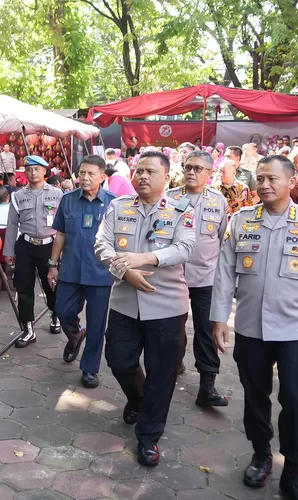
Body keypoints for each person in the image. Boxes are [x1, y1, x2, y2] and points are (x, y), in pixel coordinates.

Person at [94, 150, 196, 467]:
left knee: (162, 373)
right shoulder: (118, 206)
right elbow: (101, 243)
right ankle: (138, 399)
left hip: (166, 306)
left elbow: (185, 247)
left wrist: (145, 259)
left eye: (151, 171)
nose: (142, 176)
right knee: (118, 360)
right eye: (139, 171)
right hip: (124, 303)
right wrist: (124, 270)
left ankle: (149, 436)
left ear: (166, 176)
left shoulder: (182, 210)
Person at [211, 155, 298, 498]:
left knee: (294, 398)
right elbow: (224, 273)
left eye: (272, 179)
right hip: (251, 327)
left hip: (296, 330)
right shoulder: (242, 220)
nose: (263, 184)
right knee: (255, 395)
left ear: (291, 181)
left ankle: (294, 466)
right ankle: (261, 454)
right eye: (259, 178)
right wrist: (219, 317)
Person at [166, 151, 229, 404]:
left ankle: (207, 384)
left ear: (210, 174)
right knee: (172, 328)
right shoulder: (169, 199)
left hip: (205, 277)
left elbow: (223, 239)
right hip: (173, 277)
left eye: (197, 168)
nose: (191, 172)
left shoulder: (218, 201)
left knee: (206, 330)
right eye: (188, 167)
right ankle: (171, 367)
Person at [49, 155, 116, 389]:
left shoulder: (114, 203)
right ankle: (76, 336)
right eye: (82, 173)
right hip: (71, 270)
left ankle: (90, 369)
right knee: (62, 310)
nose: (85, 178)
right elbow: (60, 234)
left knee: (97, 323)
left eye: (90, 174)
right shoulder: (67, 200)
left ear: (102, 177)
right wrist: (52, 264)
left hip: (101, 274)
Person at [4, 155, 64, 348]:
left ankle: (56, 315)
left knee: (51, 286)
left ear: (45, 171)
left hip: (50, 246)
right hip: (26, 245)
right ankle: (28, 328)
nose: (33, 173)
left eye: (37, 169)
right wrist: (9, 251)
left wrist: (64, 251)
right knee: (23, 287)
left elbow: (63, 226)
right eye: (29, 169)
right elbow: (12, 225)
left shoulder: (58, 194)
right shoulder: (17, 196)